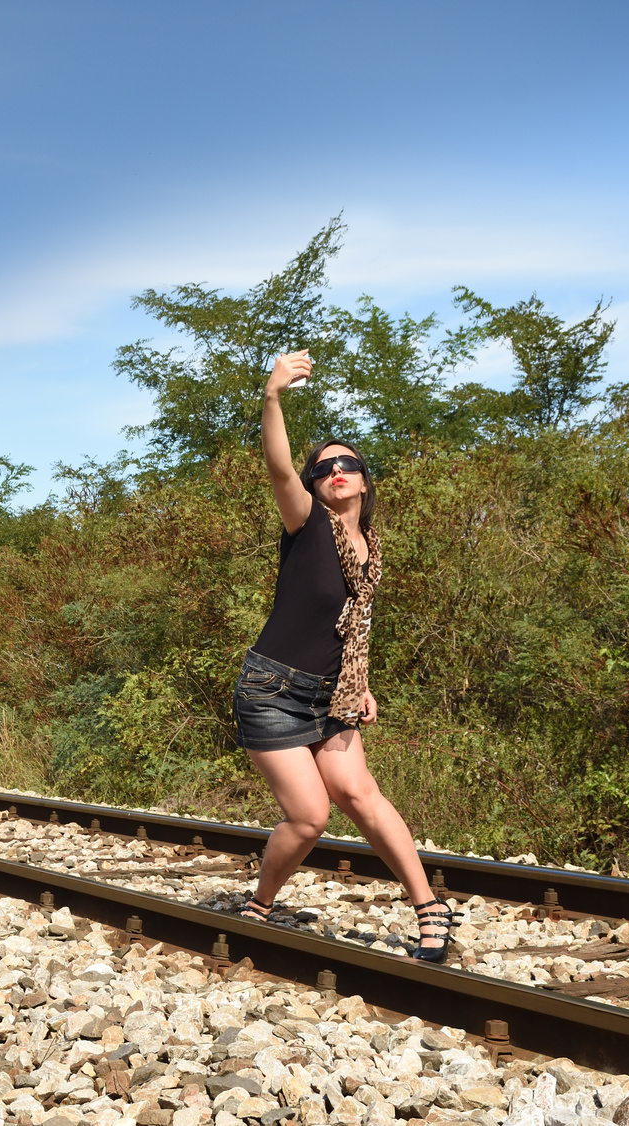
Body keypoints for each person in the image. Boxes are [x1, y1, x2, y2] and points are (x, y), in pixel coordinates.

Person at [229, 348, 458, 962]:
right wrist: (272, 396)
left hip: (333, 692)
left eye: (347, 464)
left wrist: (361, 683)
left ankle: (430, 907)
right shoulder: (306, 525)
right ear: (313, 483)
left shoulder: (370, 546)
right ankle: (261, 903)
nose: (335, 471)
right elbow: (279, 469)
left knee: (362, 794)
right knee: (310, 819)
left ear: (363, 478)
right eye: (323, 466)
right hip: (272, 691)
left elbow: (351, 624)